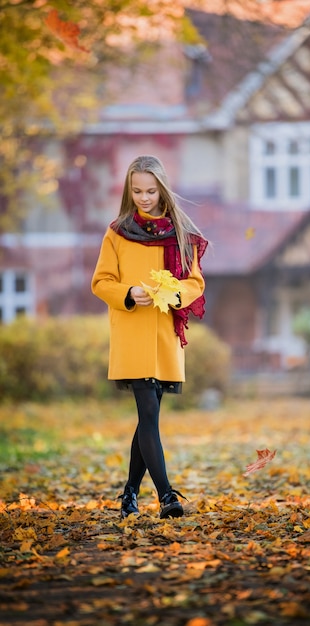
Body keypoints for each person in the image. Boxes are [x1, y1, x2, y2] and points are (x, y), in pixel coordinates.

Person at [91, 155, 207, 520]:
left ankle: (128, 494)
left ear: (162, 189)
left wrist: (175, 295)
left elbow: (195, 282)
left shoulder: (180, 233)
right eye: (136, 190)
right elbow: (101, 282)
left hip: (165, 335)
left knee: (148, 420)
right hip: (131, 333)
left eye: (150, 190)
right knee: (149, 413)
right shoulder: (117, 232)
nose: (143, 197)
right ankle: (167, 495)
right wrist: (127, 293)